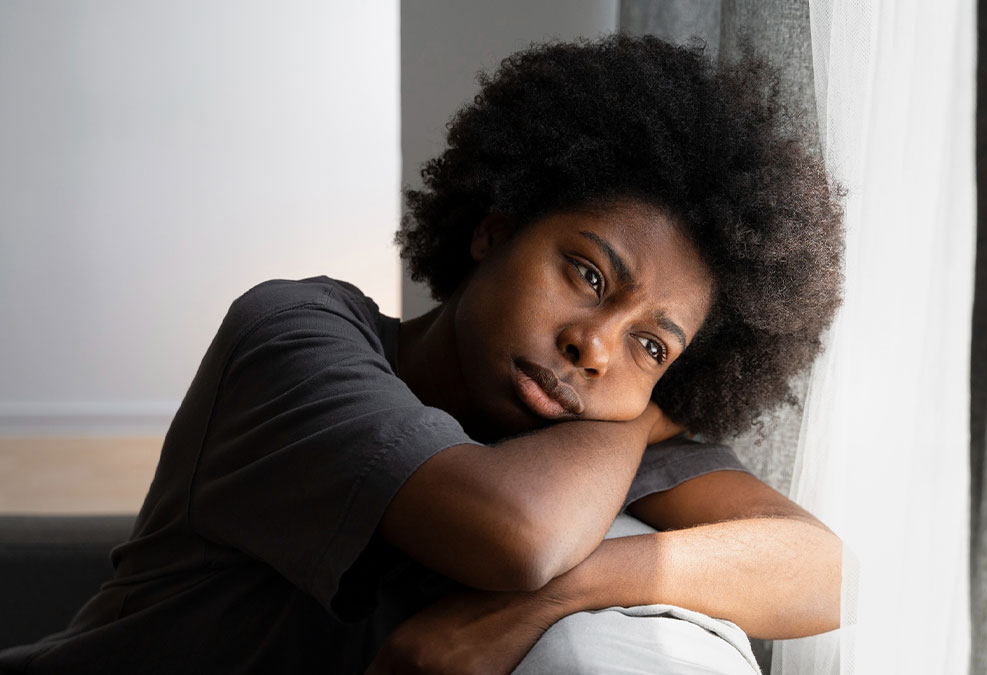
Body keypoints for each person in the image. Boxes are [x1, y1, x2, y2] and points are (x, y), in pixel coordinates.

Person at [0, 35, 844, 674]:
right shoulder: (294, 337)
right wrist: (644, 400)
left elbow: (817, 571)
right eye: (587, 273)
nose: (593, 345)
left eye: (651, 343)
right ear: (494, 225)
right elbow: (516, 536)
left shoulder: (585, 424)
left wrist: (577, 588)